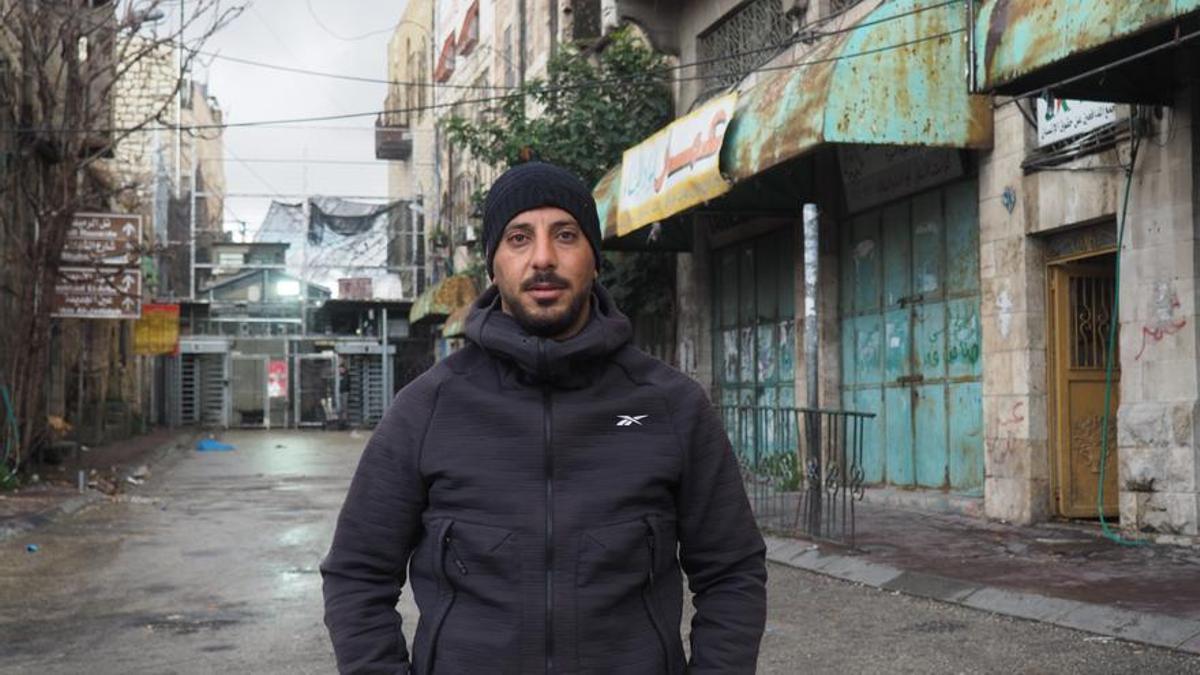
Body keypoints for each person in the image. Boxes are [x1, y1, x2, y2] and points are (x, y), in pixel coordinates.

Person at [321, 161, 767, 674]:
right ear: (493, 264)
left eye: (565, 235)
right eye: (518, 238)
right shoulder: (426, 409)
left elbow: (732, 572)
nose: (543, 258)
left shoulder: (671, 406)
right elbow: (357, 575)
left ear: (594, 258)